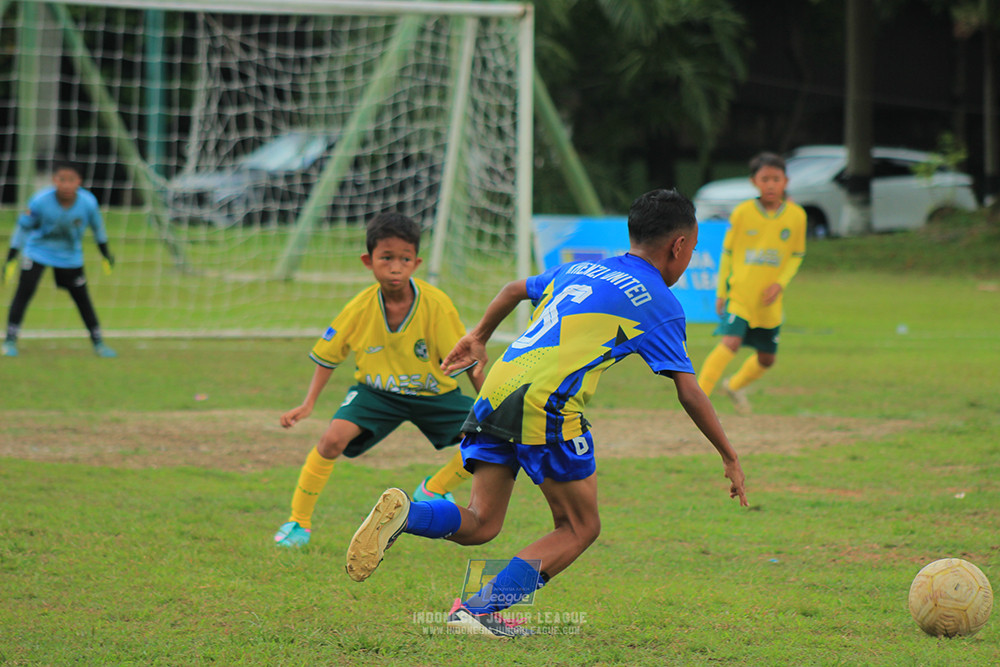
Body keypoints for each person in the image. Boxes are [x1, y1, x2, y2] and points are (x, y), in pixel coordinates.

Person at [344, 189, 748, 638]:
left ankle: (409, 517)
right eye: (691, 249)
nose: (689, 258)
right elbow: (689, 391)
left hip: (496, 388)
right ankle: (481, 611)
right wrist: (729, 456)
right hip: (546, 404)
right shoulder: (659, 300)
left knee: (481, 523)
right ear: (679, 246)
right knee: (579, 526)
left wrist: (478, 337)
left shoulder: (583, 267)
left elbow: (514, 289)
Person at [273, 212, 484, 548]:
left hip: (433, 394)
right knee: (331, 440)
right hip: (377, 393)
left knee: (488, 437)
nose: (396, 267)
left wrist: (487, 403)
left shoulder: (437, 304)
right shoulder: (358, 308)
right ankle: (298, 523)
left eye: (404, 259)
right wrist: (308, 403)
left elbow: (467, 359)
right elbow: (330, 354)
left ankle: (434, 488)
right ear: (368, 261)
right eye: (386, 258)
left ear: (417, 262)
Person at [696, 152, 806, 415]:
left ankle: (734, 386)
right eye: (764, 179)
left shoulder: (796, 216)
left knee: (767, 359)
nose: (770, 184)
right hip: (741, 294)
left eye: (776, 179)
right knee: (731, 342)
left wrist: (780, 283)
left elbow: (796, 255)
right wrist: (722, 291)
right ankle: (698, 400)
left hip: (769, 301)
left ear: (786, 181)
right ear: (754, 182)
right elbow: (728, 253)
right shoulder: (743, 212)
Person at [3, 161, 117, 358]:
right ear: (54, 180)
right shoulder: (39, 201)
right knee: (24, 292)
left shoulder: (88, 202)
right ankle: (10, 340)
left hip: (69, 256)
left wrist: (105, 253)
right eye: (61, 179)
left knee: (82, 298)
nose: (65, 184)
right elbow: (23, 228)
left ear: (79, 182)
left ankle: (98, 342)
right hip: (38, 251)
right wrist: (12, 256)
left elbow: (98, 229)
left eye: (70, 180)